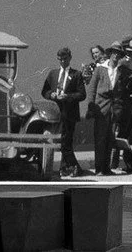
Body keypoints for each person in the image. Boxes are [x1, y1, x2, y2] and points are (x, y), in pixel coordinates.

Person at [85, 42, 132, 175]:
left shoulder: (121, 71)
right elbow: (92, 89)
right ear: (110, 54)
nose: (116, 57)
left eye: (119, 55)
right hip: (101, 107)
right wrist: (91, 106)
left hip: (114, 108)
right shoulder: (100, 69)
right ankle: (99, 168)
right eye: (114, 54)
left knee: (110, 138)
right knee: (100, 138)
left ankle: (107, 167)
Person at [40, 47, 86, 176]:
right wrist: (52, 95)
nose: (62, 62)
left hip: (69, 113)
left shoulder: (76, 75)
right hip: (54, 113)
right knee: (60, 142)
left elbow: (82, 95)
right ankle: (69, 168)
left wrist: (68, 97)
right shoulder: (53, 74)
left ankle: (71, 168)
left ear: (70, 58)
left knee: (66, 142)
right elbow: (44, 91)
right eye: (60, 59)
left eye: (65, 59)